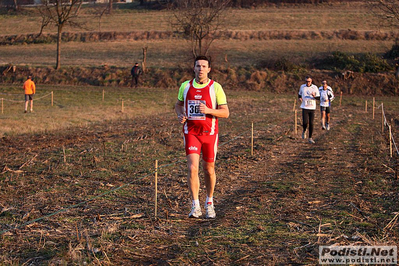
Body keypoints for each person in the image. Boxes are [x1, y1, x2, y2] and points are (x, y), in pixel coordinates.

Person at [174, 55, 229, 219]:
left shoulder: (216, 87)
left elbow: (225, 112)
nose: (201, 69)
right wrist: (181, 114)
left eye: (204, 66)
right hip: (191, 132)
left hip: (209, 134)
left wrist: (209, 111)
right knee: (192, 168)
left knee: (209, 170)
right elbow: (178, 105)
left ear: (209, 69)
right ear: (194, 68)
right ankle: (195, 205)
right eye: (198, 66)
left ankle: (209, 202)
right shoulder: (185, 86)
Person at [298, 76, 320, 144]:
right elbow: (299, 94)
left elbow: (319, 98)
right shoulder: (302, 87)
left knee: (311, 123)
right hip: (305, 107)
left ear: (311, 81)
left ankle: (310, 138)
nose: (308, 83)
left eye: (309, 81)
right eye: (306, 81)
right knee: (305, 122)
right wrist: (300, 98)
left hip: (312, 107)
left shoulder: (315, 87)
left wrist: (314, 96)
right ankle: (304, 130)